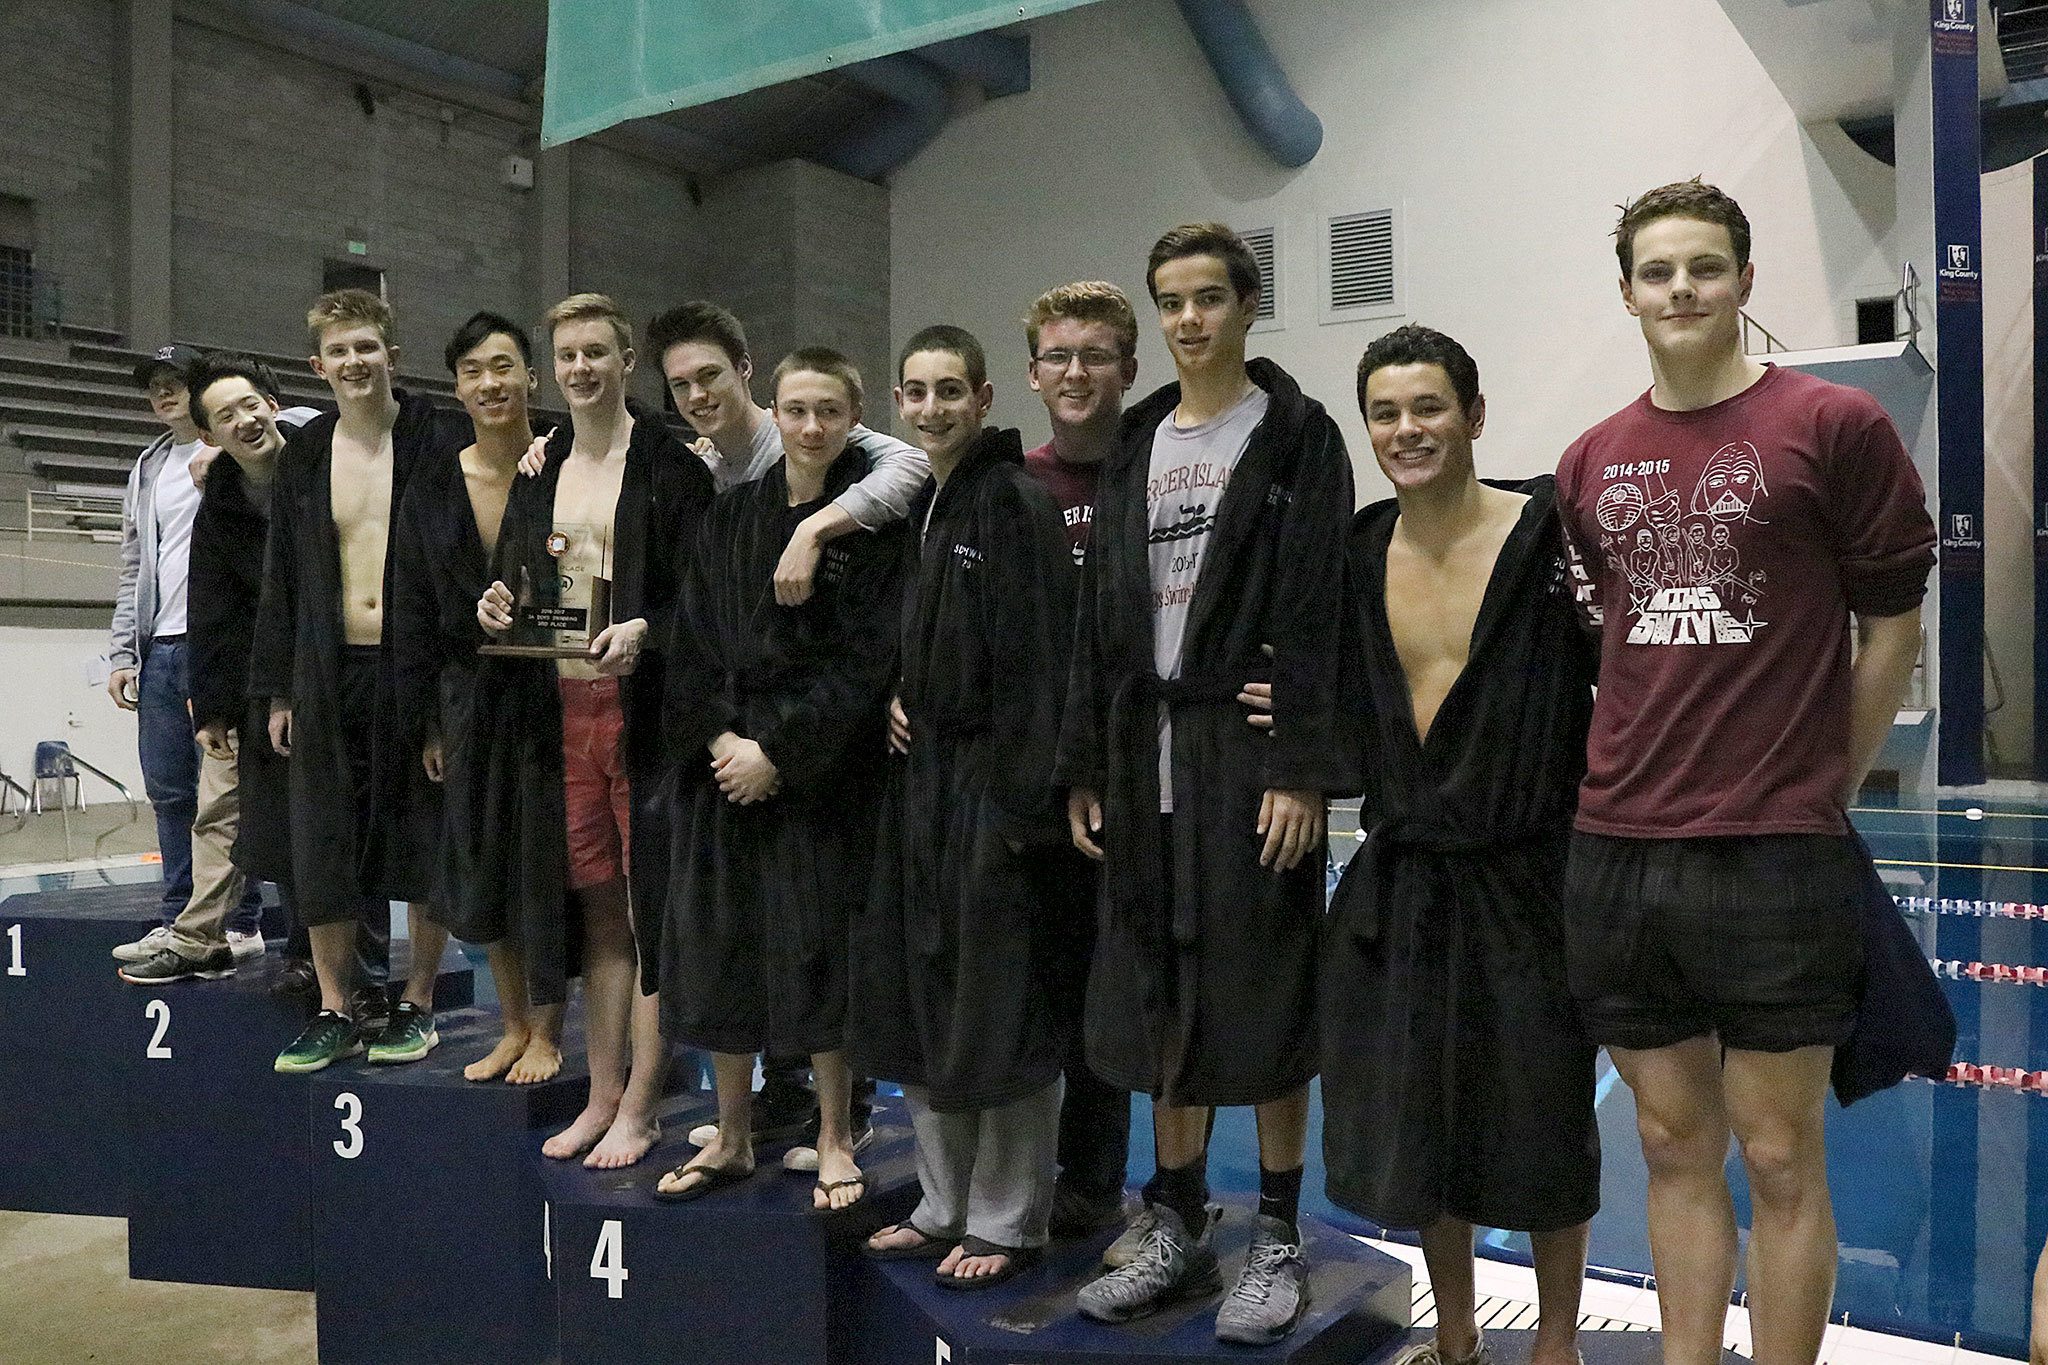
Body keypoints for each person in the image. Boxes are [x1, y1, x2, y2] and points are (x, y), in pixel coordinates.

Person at [1555, 180, 1935, 1365]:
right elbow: (1596, 650)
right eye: (1657, 272)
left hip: (1774, 851)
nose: (1680, 290)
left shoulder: (1830, 427)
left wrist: (1828, 783)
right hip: (1618, 849)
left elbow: (1891, 627)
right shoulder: (1586, 461)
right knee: (1670, 1146)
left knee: (1776, 1155)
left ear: (1744, 282)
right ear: (1625, 293)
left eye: (1703, 268)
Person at [1059, 222, 1353, 1345]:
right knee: (1154, 988)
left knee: (1268, 988)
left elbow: (1319, 608)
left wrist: (1300, 767)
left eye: (1207, 299)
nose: (1188, 319)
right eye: (1170, 300)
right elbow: (1103, 619)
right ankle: (1175, 1217)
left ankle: (1275, 1228)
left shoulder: (1295, 437)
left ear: (1244, 307)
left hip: (1243, 753)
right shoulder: (1135, 439)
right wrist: (1089, 759)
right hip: (1144, 756)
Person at [1319, 325, 1596, 1365]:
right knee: (1422, 1123)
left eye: (1425, 407)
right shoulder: (1358, 547)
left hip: (1530, 873)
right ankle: (1460, 1334)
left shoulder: (1546, 532)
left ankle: (1557, 1341)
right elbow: (1326, 687)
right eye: (1384, 414)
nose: (1405, 430)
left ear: (1472, 416)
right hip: (1406, 876)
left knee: (1542, 1114)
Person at [648, 300, 922, 1166]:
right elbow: (690, 646)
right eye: (796, 409)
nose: (809, 426)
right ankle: (731, 1134)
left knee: (820, 956)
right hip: (726, 772)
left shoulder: (872, 530)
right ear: (776, 404)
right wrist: (725, 743)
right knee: (721, 952)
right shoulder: (727, 517)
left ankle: (837, 1134)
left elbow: (866, 663)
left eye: (828, 412)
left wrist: (782, 751)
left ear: (854, 419)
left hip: (818, 779)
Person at [853, 326, 1073, 1289]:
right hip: (924, 792)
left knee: (1001, 1010)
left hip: (994, 798)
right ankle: (941, 1204)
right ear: (900, 404)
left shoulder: (1016, 503)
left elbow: (1041, 667)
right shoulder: (928, 509)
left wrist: (1023, 813)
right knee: (925, 1001)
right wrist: (903, 694)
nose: (933, 408)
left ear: (985, 399)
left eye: (951, 391)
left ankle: (1007, 1217)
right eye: (917, 392)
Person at [476, 293, 715, 1168]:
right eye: (568, 355)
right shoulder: (540, 468)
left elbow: (701, 601)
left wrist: (649, 631)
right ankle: (604, 1091)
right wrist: (496, 600)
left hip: (643, 722)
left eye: (597, 353)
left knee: (651, 916)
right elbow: (513, 585)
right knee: (600, 918)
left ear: (625, 361)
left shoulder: (672, 466)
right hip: (562, 717)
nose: (581, 368)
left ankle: (644, 1105)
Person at [250, 288, 466, 1073]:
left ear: (392, 356)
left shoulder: (440, 441)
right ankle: (337, 1006)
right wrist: (277, 689)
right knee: (323, 839)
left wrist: (446, 704)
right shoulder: (306, 455)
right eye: (338, 351)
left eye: (366, 347)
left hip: (413, 667)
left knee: (422, 834)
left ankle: (419, 1001)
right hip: (326, 667)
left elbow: (457, 571)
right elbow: (282, 578)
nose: (353, 362)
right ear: (318, 365)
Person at [391, 312, 565, 1084]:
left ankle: (553, 1028)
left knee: (548, 863)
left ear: (531, 375)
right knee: (482, 857)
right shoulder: (434, 484)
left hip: (561, 689)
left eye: (504, 365)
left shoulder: (567, 460)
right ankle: (515, 1023)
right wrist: (430, 718)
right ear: (456, 385)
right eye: (473, 370)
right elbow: (419, 605)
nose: (491, 383)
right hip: (470, 695)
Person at [117, 354, 310, 984]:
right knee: (212, 803)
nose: (244, 420)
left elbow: (329, 416)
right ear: (209, 432)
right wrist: (215, 701)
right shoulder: (215, 492)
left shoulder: (316, 461)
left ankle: (307, 953)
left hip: (314, 673)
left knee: (308, 818)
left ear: (273, 404)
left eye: (251, 405)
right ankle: (197, 934)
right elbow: (214, 603)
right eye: (224, 415)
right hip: (240, 673)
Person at [1013, 281, 1140, 1242]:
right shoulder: (1013, 485)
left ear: (1129, 371)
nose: (1075, 372)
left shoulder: (1161, 473)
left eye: (1095, 355)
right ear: (1031, 374)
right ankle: (1023, 1180)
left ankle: (1101, 1182)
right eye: (1059, 356)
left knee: (1123, 999)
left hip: (1143, 783)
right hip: (1030, 789)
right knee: (1038, 989)